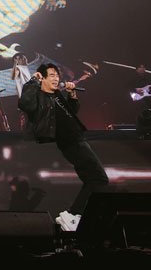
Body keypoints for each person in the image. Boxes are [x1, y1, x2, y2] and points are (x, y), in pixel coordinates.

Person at [18, 63, 109, 231]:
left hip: (77, 138)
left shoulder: (56, 94)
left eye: (57, 75)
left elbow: (72, 111)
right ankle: (74, 214)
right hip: (71, 141)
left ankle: (74, 216)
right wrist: (33, 81)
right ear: (42, 78)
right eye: (51, 75)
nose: (56, 78)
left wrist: (72, 94)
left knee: (92, 180)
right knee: (99, 178)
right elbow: (25, 104)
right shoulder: (39, 95)